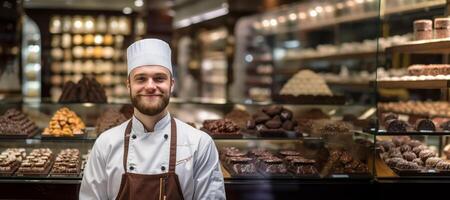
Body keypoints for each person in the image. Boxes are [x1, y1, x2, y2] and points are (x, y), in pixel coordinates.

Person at [79, 38, 226, 200]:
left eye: (159, 78)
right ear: (129, 84)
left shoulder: (200, 144)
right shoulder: (105, 144)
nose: (150, 86)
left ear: (171, 84)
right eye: (141, 78)